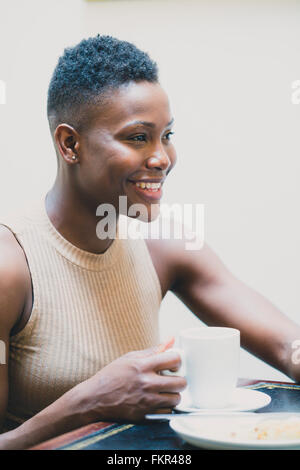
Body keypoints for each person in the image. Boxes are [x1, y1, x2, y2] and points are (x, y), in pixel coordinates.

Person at [0, 35, 299, 450]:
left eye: (167, 135)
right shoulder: (10, 266)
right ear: (71, 144)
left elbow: (289, 346)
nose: (162, 158)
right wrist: (87, 403)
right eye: (138, 137)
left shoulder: (162, 243)